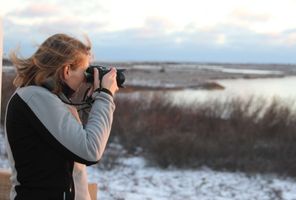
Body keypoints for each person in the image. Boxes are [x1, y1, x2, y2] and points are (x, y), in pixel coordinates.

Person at [4, 33, 118, 200]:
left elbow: (79, 138)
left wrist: (92, 100)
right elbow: (90, 150)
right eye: (85, 71)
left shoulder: (47, 98)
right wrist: (105, 96)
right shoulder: (36, 97)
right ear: (66, 70)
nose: (85, 78)